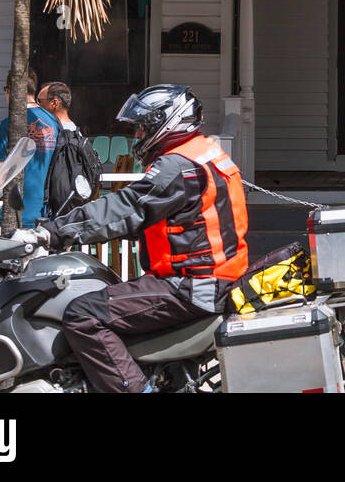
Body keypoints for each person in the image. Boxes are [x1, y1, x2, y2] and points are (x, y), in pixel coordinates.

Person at [16, 84, 249, 393]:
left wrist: (53, 231)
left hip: (191, 286)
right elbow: (153, 217)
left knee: (84, 315)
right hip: (211, 278)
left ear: (168, 123)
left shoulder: (178, 166)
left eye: (143, 127)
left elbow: (124, 208)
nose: (138, 136)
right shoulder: (203, 152)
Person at [0, 68, 59, 227]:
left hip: (17, 215)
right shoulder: (54, 122)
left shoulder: (10, 123)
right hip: (46, 215)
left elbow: (0, 171)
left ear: (12, 88)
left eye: (5, 90)